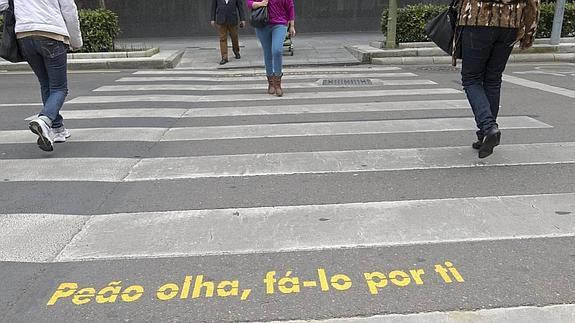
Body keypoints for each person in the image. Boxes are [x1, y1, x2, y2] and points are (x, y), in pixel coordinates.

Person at [456, 0, 540, 158]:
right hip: (510, 24)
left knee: (471, 79)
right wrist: (528, 33)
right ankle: (485, 135)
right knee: (493, 80)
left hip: (477, 20)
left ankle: (488, 127)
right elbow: (533, 3)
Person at [0, 0, 82, 152]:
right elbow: (69, 10)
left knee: (45, 83)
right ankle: (44, 120)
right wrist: (76, 41)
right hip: (51, 33)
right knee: (59, 88)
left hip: (24, 35)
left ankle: (57, 129)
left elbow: (3, 5)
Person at [247, 0, 295, 97]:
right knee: (267, 52)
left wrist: (292, 26)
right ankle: (271, 83)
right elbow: (249, 3)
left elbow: (290, 6)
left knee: (277, 50)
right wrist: (261, 4)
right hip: (262, 24)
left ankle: (278, 83)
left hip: (280, 24)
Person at [211, 0, 246, 65]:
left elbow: (240, 7)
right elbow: (213, 7)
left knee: (234, 37)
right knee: (222, 38)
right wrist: (212, 19)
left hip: (232, 19)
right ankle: (224, 57)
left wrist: (242, 19)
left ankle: (236, 51)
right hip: (221, 19)